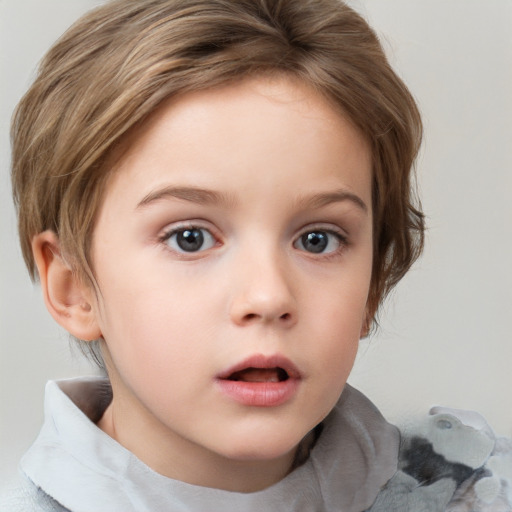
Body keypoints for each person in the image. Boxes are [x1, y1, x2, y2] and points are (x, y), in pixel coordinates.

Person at [3, 1, 510, 511]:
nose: (268, 296)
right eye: (190, 239)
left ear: (373, 284)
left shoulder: (476, 493)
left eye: (318, 239)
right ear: (74, 287)